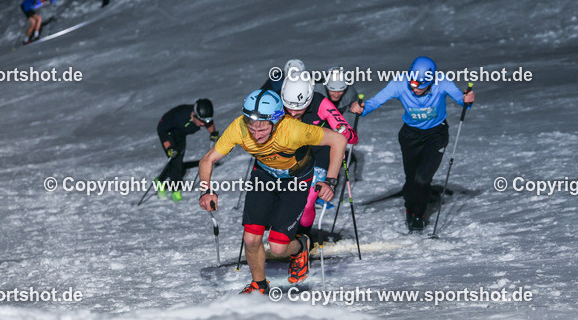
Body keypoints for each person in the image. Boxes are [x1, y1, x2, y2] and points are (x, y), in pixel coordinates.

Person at [197, 90, 346, 294]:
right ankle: (259, 284)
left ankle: (301, 246)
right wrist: (206, 190)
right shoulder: (239, 127)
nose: (257, 135)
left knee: (278, 247)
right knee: (250, 238)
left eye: (263, 130)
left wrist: (330, 181)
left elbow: (338, 140)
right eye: (252, 128)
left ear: (276, 122)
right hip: (264, 177)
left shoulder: (294, 129)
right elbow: (207, 159)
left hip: (296, 180)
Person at [349, 57, 474, 232]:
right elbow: (375, 102)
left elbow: (462, 101)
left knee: (422, 178)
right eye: (413, 83)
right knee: (411, 177)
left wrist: (467, 99)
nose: (414, 88)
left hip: (436, 135)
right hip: (410, 136)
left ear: (430, 82)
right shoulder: (400, 83)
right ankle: (410, 207)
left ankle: (418, 215)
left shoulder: (442, 82)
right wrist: (361, 109)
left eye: (420, 86)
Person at [279, 76, 358, 240]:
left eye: (299, 108)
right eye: (289, 108)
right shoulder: (277, 103)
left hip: (319, 155)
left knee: (307, 202)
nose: (293, 113)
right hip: (294, 155)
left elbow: (349, 134)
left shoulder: (320, 103)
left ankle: (303, 238)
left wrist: (344, 132)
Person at [155, 99, 218, 200]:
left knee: (175, 161)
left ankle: (160, 181)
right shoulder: (179, 116)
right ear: (194, 114)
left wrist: (213, 133)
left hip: (181, 135)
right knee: (177, 164)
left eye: (205, 121)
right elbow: (161, 129)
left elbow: (209, 122)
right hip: (169, 134)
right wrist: (169, 148)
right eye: (202, 121)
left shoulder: (201, 116)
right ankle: (176, 191)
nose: (203, 124)